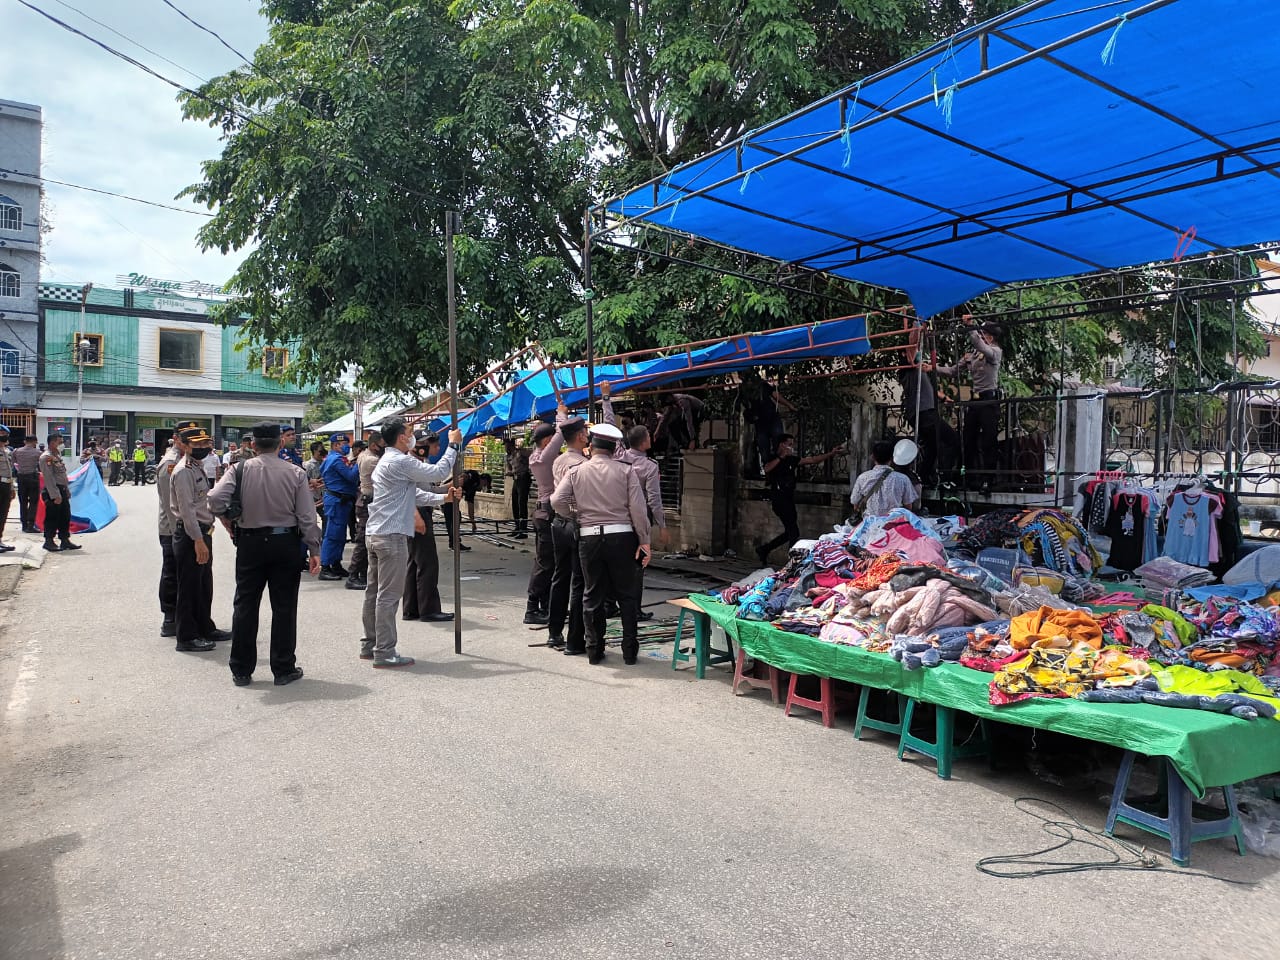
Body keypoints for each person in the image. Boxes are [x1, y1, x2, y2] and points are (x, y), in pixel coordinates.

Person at [209, 421, 322, 687]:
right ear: (280, 442)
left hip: (250, 543)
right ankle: (283, 669)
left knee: (245, 605)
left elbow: (213, 500)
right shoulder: (295, 473)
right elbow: (307, 516)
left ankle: (241, 670)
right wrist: (314, 548)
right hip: (286, 544)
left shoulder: (238, 470)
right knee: (284, 607)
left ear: (253, 444)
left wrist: (228, 518)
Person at [361, 418, 461, 668]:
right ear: (402, 438)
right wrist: (454, 446)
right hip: (391, 536)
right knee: (387, 596)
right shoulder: (400, 460)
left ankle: (369, 644)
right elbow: (438, 472)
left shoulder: (389, 461)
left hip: (376, 533)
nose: (412, 435)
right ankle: (384, 652)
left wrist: (442, 499)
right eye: (409, 432)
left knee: (374, 593)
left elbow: (412, 493)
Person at [551, 423, 651, 665]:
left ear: (592, 446)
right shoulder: (627, 472)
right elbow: (638, 510)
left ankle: (594, 650)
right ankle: (629, 651)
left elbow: (556, 501)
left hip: (589, 537)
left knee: (592, 594)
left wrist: (577, 515)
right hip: (622, 537)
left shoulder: (577, 472)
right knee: (627, 595)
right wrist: (645, 541)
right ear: (614, 447)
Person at [602, 384, 666, 622]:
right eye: (649, 435)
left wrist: (606, 398)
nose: (651, 437)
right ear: (643, 442)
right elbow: (654, 499)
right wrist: (662, 524)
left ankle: (610, 604)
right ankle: (634, 609)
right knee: (638, 566)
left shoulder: (619, 454)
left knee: (615, 562)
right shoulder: (649, 467)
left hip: (618, 516)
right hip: (639, 518)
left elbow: (609, 426)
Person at [168, 425, 231, 653]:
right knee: (189, 586)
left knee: (204, 584)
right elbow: (186, 511)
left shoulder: (198, 466)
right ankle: (186, 636)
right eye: (197, 445)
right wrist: (197, 540)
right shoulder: (184, 471)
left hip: (203, 532)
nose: (203, 448)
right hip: (190, 535)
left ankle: (205, 627)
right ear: (184, 446)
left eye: (206, 444)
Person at [933, 320, 1003, 493]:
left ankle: (988, 480)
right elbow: (952, 371)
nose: (979, 336)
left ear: (990, 337)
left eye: (982, 333)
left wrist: (971, 328)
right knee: (967, 440)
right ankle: (967, 478)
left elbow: (981, 346)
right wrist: (933, 368)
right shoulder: (973, 354)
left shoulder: (994, 351)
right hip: (975, 401)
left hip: (989, 400)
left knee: (988, 441)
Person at [756, 433, 843, 567]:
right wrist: (781, 457)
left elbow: (812, 460)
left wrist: (831, 454)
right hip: (779, 499)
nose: (791, 447)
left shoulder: (791, 460)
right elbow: (767, 468)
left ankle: (764, 550)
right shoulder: (774, 457)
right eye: (789, 444)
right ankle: (792, 563)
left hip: (789, 498)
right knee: (793, 532)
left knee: (791, 531)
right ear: (781, 444)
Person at [545, 416, 593, 654]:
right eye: (585, 431)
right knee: (578, 582)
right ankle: (575, 639)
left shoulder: (559, 460)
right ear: (581, 436)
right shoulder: (580, 464)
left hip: (558, 525)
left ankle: (554, 633)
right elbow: (561, 499)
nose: (588, 434)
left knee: (559, 577)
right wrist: (572, 515)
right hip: (573, 523)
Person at [402, 430, 460, 623]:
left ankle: (412, 608)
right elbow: (437, 474)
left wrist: (446, 490)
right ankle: (428, 609)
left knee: (415, 562)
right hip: (417, 513)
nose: (436, 449)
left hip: (416, 510)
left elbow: (427, 490)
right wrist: (453, 447)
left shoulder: (419, 463)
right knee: (427, 563)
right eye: (434, 446)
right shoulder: (414, 464)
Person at [524, 405, 569, 625]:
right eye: (550, 440)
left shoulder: (537, 456)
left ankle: (545, 605)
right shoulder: (545, 456)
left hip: (543, 512)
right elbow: (561, 435)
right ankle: (532, 608)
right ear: (545, 442)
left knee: (547, 562)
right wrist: (561, 413)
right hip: (547, 514)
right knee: (545, 563)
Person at [156, 420, 198, 637]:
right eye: (188, 438)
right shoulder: (170, 463)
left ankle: (186, 618)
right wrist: (178, 535)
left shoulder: (186, 460)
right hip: (172, 530)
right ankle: (170, 618)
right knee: (172, 574)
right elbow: (172, 505)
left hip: (183, 529)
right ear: (177, 439)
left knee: (184, 576)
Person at [901, 324, 940, 487]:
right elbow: (912, 342)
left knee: (936, 445)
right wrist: (918, 323)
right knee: (943, 441)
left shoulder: (920, 371)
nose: (918, 352)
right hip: (922, 413)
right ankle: (924, 476)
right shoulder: (909, 367)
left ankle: (924, 476)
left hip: (926, 411)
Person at [318, 433, 359, 581]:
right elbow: (351, 476)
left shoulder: (338, 459)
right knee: (332, 535)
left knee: (340, 535)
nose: (347, 446)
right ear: (336, 445)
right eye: (344, 444)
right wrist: (360, 462)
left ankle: (335, 564)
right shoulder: (335, 460)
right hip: (336, 500)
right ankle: (325, 567)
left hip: (341, 500)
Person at [347, 432, 385, 591]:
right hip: (368, 501)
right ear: (374, 445)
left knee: (367, 540)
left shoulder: (364, 454)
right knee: (363, 540)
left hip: (367, 500)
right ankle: (353, 575)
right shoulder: (372, 460)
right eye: (383, 445)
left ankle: (362, 573)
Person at [849, 439, 920, 521]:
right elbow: (908, 507)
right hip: (894, 526)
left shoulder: (862, 478)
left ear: (873, 457)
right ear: (892, 458)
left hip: (869, 525)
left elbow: (855, 504)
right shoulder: (903, 479)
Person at [39, 434, 81, 552]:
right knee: (53, 517)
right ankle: (49, 541)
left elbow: (61, 475)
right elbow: (49, 478)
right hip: (53, 490)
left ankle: (65, 540)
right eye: (60, 442)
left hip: (62, 489)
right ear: (52, 443)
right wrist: (55, 495)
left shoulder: (57, 456)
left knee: (65, 516)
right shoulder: (46, 457)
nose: (62, 444)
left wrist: (66, 489)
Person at [504, 437, 532, 538]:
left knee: (522, 503)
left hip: (523, 477)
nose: (506, 448)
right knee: (515, 503)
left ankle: (523, 529)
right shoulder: (509, 456)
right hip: (516, 479)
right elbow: (509, 468)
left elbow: (532, 454)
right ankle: (517, 526)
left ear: (511, 445)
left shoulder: (520, 452)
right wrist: (509, 472)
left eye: (507, 445)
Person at [14, 434, 42, 534]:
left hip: (21, 478)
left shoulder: (17, 451)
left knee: (23, 502)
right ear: (35, 442)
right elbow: (40, 466)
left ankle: (24, 525)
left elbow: (14, 462)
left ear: (25, 441)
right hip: (33, 478)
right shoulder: (38, 452)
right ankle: (30, 525)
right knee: (33, 502)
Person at [305, 440, 327, 532]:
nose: (322, 452)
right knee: (311, 521)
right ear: (314, 451)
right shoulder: (309, 465)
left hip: (323, 495)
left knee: (326, 517)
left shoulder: (325, 462)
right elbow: (304, 481)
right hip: (313, 496)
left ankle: (323, 540)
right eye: (320, 450)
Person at [0, 426, 14, 551]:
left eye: (5, 434)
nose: (4, 436)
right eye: (2, 433)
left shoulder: (7, 450)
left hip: (6, 485)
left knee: (3, 513)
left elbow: (9, 471)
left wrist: (11, 487)